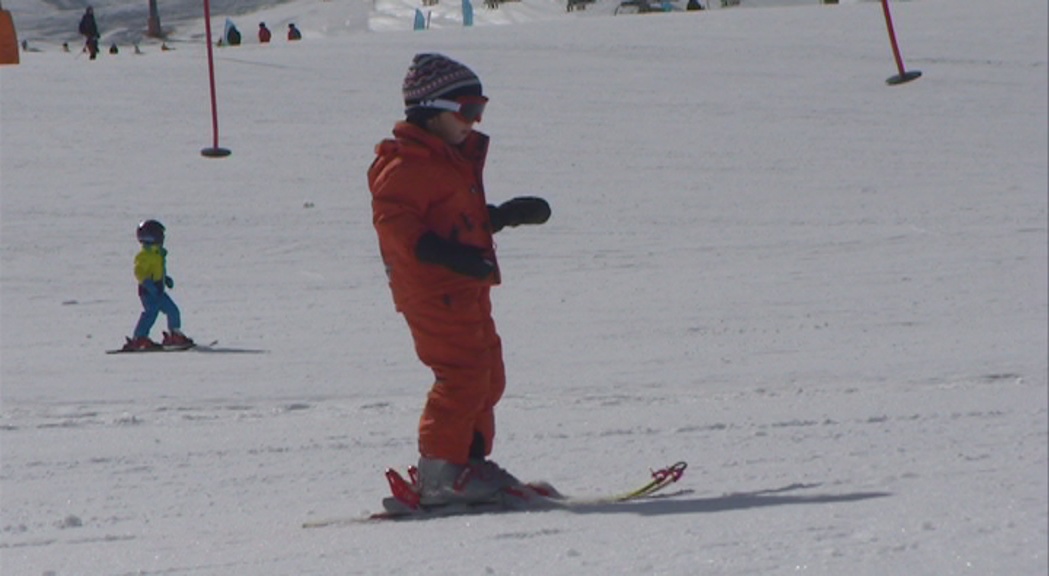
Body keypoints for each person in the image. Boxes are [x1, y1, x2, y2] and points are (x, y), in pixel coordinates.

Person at [368, 53, 551, 506]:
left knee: (488, 374)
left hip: (464, 286)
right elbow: (397, 226)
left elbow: (455, 219)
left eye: (480, 110)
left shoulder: (446, 160)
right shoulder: (406, 165)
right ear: (433, 111)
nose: (476, 121)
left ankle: (468, 465)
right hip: (433, 292)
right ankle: (440, 472)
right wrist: (451, 257)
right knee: (462, 375)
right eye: (468, 110)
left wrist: (501, 217)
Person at [121, 220, 195, 351]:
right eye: (160, 235)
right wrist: (147, 283)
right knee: (150, 313)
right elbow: (139, 272)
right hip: (148, 292)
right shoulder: (144, 255)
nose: (163, 239)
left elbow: (157, 269)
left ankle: (174, 334)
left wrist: (165, 279)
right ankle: (139, 338)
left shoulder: (158, 253)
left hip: (159, 290)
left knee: (172, 310)